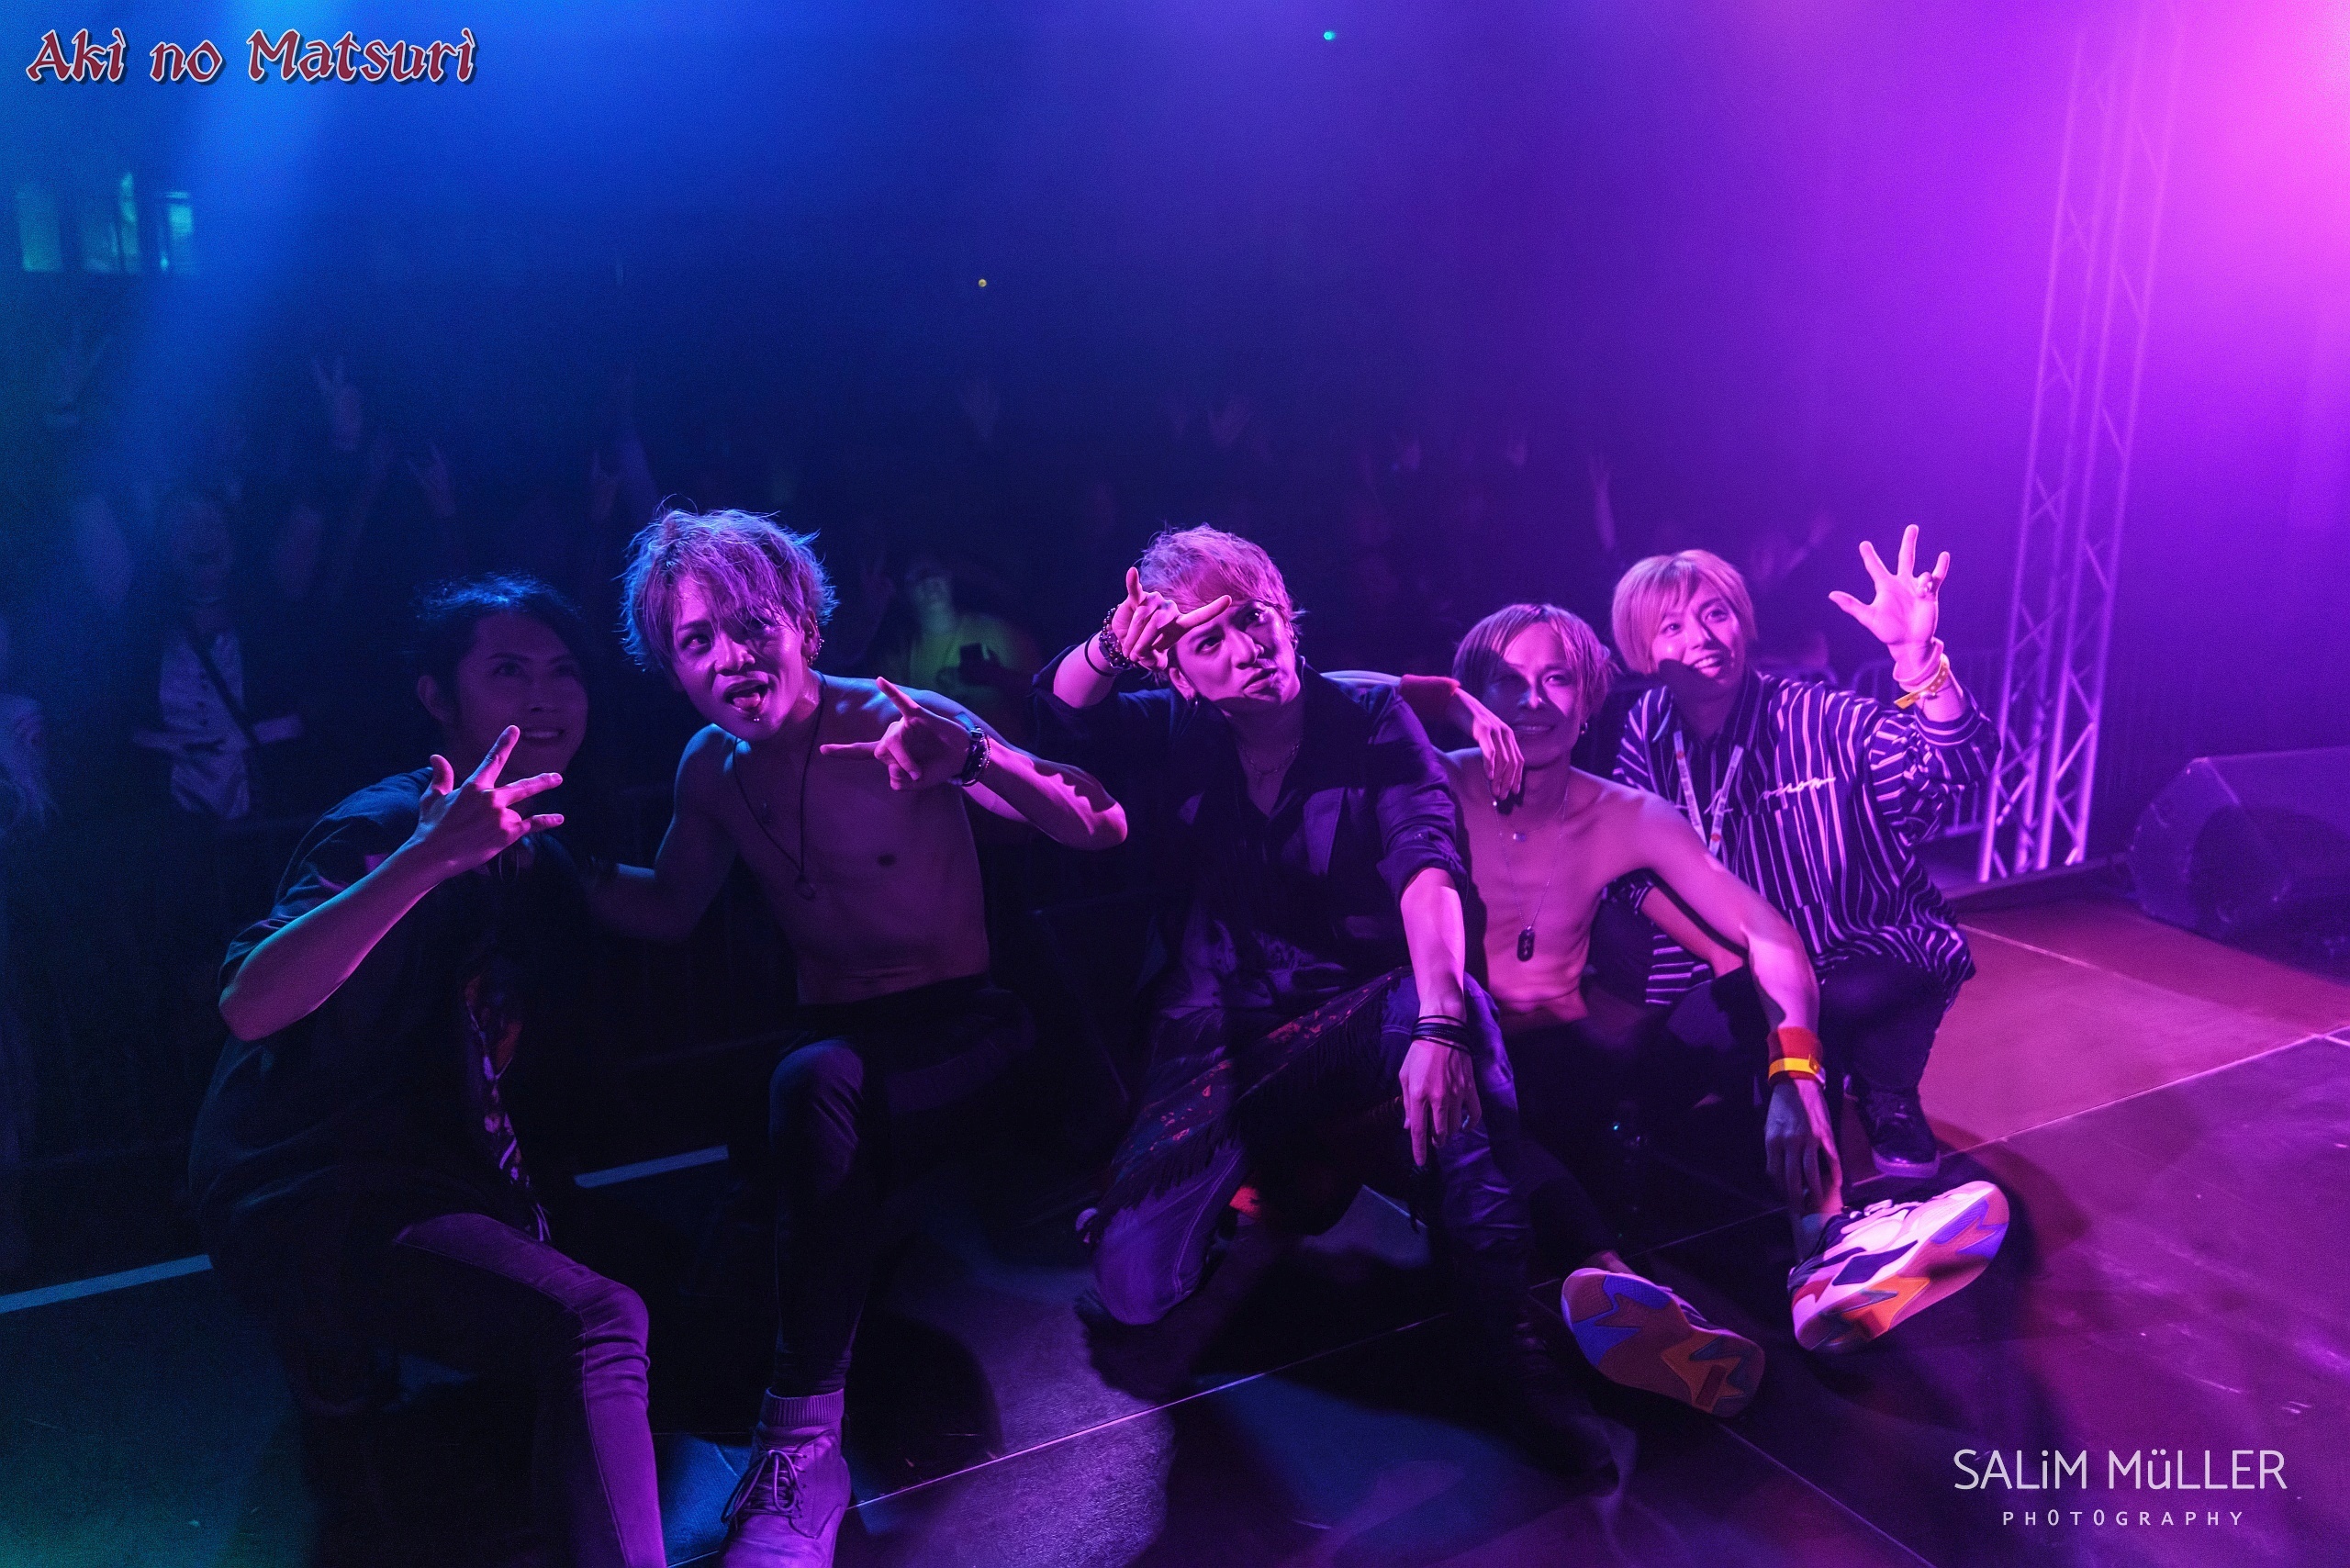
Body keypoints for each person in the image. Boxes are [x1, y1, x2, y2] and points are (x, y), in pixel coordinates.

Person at [594, 509, 1126, 1568]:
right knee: (713, 1333)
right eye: (696, 641)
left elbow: (1097, 824)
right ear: (672, 667)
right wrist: (542, 863)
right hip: (838, 1044)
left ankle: (804, 1453)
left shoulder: (897, 717)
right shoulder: (712, 769)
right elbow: (668, 905)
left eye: (751, 625)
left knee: (812, 1086)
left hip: (968, 1029)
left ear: (804, 622)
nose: (729, 657)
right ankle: (807, 1343)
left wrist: (971, 756)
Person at [1036, 527, 1617, 1481]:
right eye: (1210, 640)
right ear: (1176, 670)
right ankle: (1271, 1181)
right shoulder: (1177, 732)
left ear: (1286, 617)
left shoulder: (1370, 718)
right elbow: (1059, 719)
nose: (1246, 649)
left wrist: (1437, 1020)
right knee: (1136, 1290)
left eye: (1254, 620)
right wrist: (1105, 647)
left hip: (1354, 1017)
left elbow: (1427, 867)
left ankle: (1505, 1347)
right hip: (1221, 1042)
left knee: (1458, 1019)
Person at [1369, 603, 2005, 1405]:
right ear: (1477, 692)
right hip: (1451, 1068)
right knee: (1482, 1092)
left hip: (1578, 1071)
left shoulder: (1625, 815)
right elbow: (1317, 695)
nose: (1532, 700)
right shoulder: (1427, 782)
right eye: (1507, 681)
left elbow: (1770, 936)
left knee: (1755, 994)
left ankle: (1826, 1245)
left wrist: (1796, 1076)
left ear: (1589, 698)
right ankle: (1619, 1289)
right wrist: (1446, 701)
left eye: (1556, 679)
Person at [188, 577, 665, 1568]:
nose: (544, 698)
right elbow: (250, 1000)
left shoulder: (539, 851)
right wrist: (425, 858)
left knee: (667, 1295)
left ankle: (346, 1385)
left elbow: (664, 909)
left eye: (564, 673)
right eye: (508, 672)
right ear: (437, 698)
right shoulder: (392, 821)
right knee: (599, 1324)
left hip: (437, 1175)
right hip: (313, 1190)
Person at [1606, 533, 1991, 1181]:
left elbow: (1956, 763)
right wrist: (1721, 956)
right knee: (1651, 1112)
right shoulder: (1648, 728)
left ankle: (1886, 1085)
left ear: (1744, 623)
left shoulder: (1813, 712)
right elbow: (1629, 870)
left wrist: (1918, 661)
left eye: (1716, 614)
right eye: (1672, 627)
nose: (1702, 637)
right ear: (1643, 653)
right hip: (1730, 962)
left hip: (1855, 947)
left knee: (1834, 1033)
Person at [871, 551, 1042, 741]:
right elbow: (892, 719)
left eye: (935, 572)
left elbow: (1044, 692)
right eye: (917, 577)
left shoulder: (999, 632)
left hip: (1006, 752)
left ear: (949, 576)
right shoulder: (897, 655)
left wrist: (998, 676)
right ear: (903, 591)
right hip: (942, 756)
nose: (930, 581)